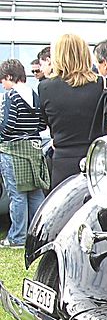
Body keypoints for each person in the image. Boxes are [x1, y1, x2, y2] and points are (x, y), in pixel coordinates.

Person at [38, 34, 105, 189]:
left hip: (63, 158)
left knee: (63, 210)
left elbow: (46, 121)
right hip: (96, 159)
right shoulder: (100, 84)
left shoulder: (46, 87)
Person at [0, 58, 48, 248]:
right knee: (35, 193)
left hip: (13, 150)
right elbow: (42, 125)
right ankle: (39, 234)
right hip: (33, 149)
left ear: (10, 76)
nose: (2, 85)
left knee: (17, 195)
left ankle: (17, 237)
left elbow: (8, 124)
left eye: (3, 80)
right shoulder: (35, 94)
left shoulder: (11, 96)